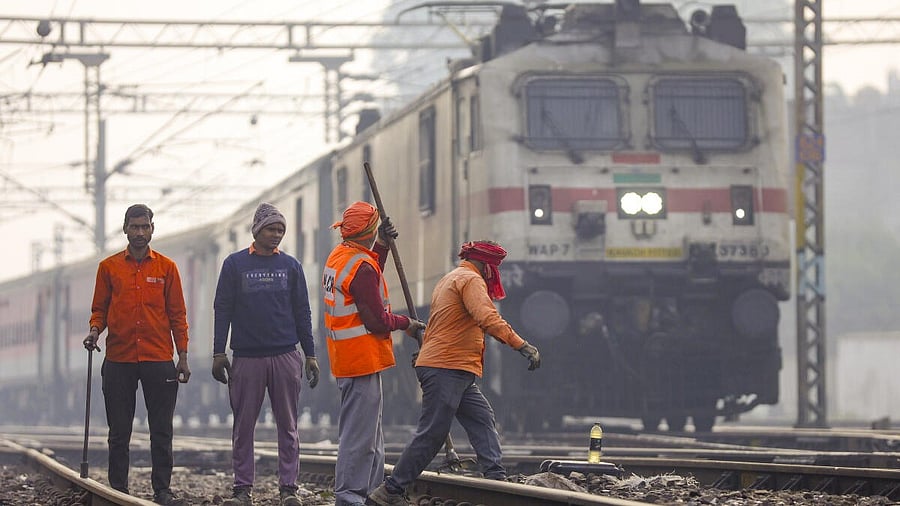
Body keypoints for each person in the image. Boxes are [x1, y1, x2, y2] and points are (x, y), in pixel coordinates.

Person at [368, 240, 542, 506]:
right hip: (446, 367)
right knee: (432, 433)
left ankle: (496, 479)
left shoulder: (452, 277)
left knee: (481, 418)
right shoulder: (471, 280)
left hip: (455, 368)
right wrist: (521, 345)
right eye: (494, 268)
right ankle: (391, 490)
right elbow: (487, 317)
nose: (495, 274)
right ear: (485, 265)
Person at [211, 202, 320, 506]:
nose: (277, 235)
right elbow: (223, 309)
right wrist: (218, 351)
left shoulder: (291, 266)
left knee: (288, 426)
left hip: (286, 355)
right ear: (257, 230)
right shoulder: (234, 265)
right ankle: (242, 488)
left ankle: (288, 489)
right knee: (243, 426)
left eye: (281, 230)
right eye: (272, 229)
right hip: (247, 358)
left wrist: (309, 354)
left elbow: (303, 312)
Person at [83, 203, 191, 506]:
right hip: (119, 358)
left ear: (152, 229)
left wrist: (182, 356)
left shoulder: (167, 268)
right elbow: (99, 310)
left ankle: (162, 490)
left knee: (161, 430)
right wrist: (94, 331)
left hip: (159, 359)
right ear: (125, 229)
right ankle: (118, 488)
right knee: (119, 431)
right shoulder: (109, 267)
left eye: (145, 226)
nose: (140, 232)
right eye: (135, 226)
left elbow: (177, 315)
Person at [323, 201, 425, 506]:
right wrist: (407, 323)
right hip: (361, 358)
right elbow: (377, 319)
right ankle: (350, 497)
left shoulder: (340, 257)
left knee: (370, 435)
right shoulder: (360, 266)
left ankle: (370, 491)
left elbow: (365, 280)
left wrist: (381, 244)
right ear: (368, 230)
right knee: (360, 438)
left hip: (347, 357)